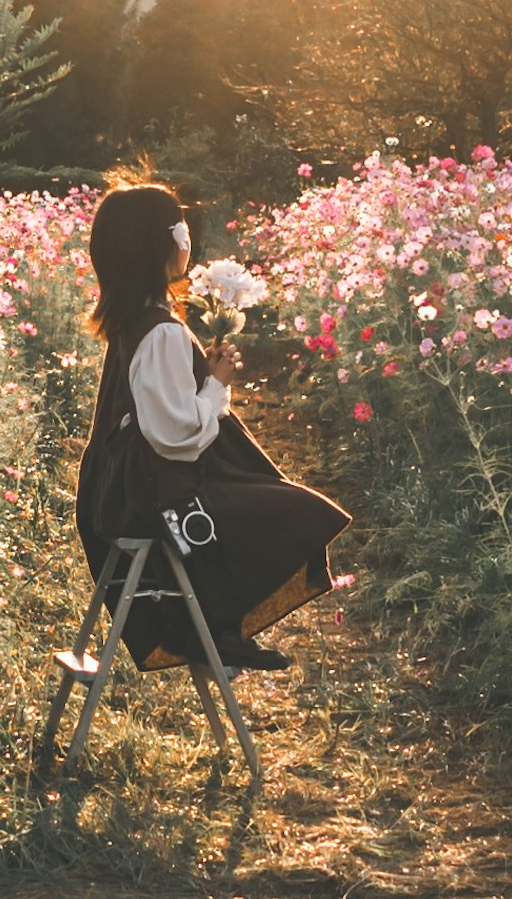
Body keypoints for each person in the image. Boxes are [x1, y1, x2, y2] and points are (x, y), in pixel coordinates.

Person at [75, 176, 354, 670]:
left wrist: (202, 372)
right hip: (156, 491)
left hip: (132, 484)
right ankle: (208, 625)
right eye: (176, 225)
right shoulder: (159, 330)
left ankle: (215, 625)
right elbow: (176, 436)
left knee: (272, 498)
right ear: (156, 245)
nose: (186, 233)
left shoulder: (142, 316)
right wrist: (217, 383)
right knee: (300, 513)